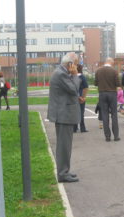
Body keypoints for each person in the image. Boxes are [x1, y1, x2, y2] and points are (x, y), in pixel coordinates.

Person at [47, 52, 81, 183]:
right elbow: (73, 89)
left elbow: (68, 91)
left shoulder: (62, 72)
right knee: (64, 146)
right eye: (76, 64)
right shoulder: (61, 74)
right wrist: (75, 75)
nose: (77, 67)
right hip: (63, 115)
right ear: (70, 64)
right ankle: (62, 173)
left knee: (65, 145)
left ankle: (64, 171)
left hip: (64, 114)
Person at [95, 57, 121, 142]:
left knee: (105, 115)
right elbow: (118, 83)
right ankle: (116, 136)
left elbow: (95, 83)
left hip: (102, 94)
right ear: (110, 62)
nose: (113, 64)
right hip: (112, 93)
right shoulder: (114, 71)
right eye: (113, 63)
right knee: (114, 114)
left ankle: (107, 136)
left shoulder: (98, 71)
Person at [74, 64, 89, 133]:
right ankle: (82, 128)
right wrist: (83, 97)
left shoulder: (72, 77)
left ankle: (74, 128)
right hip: (81, 96)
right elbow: (86, 87)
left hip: (73, 97)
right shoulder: (82, 77)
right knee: (81, 112)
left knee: (74, 112)